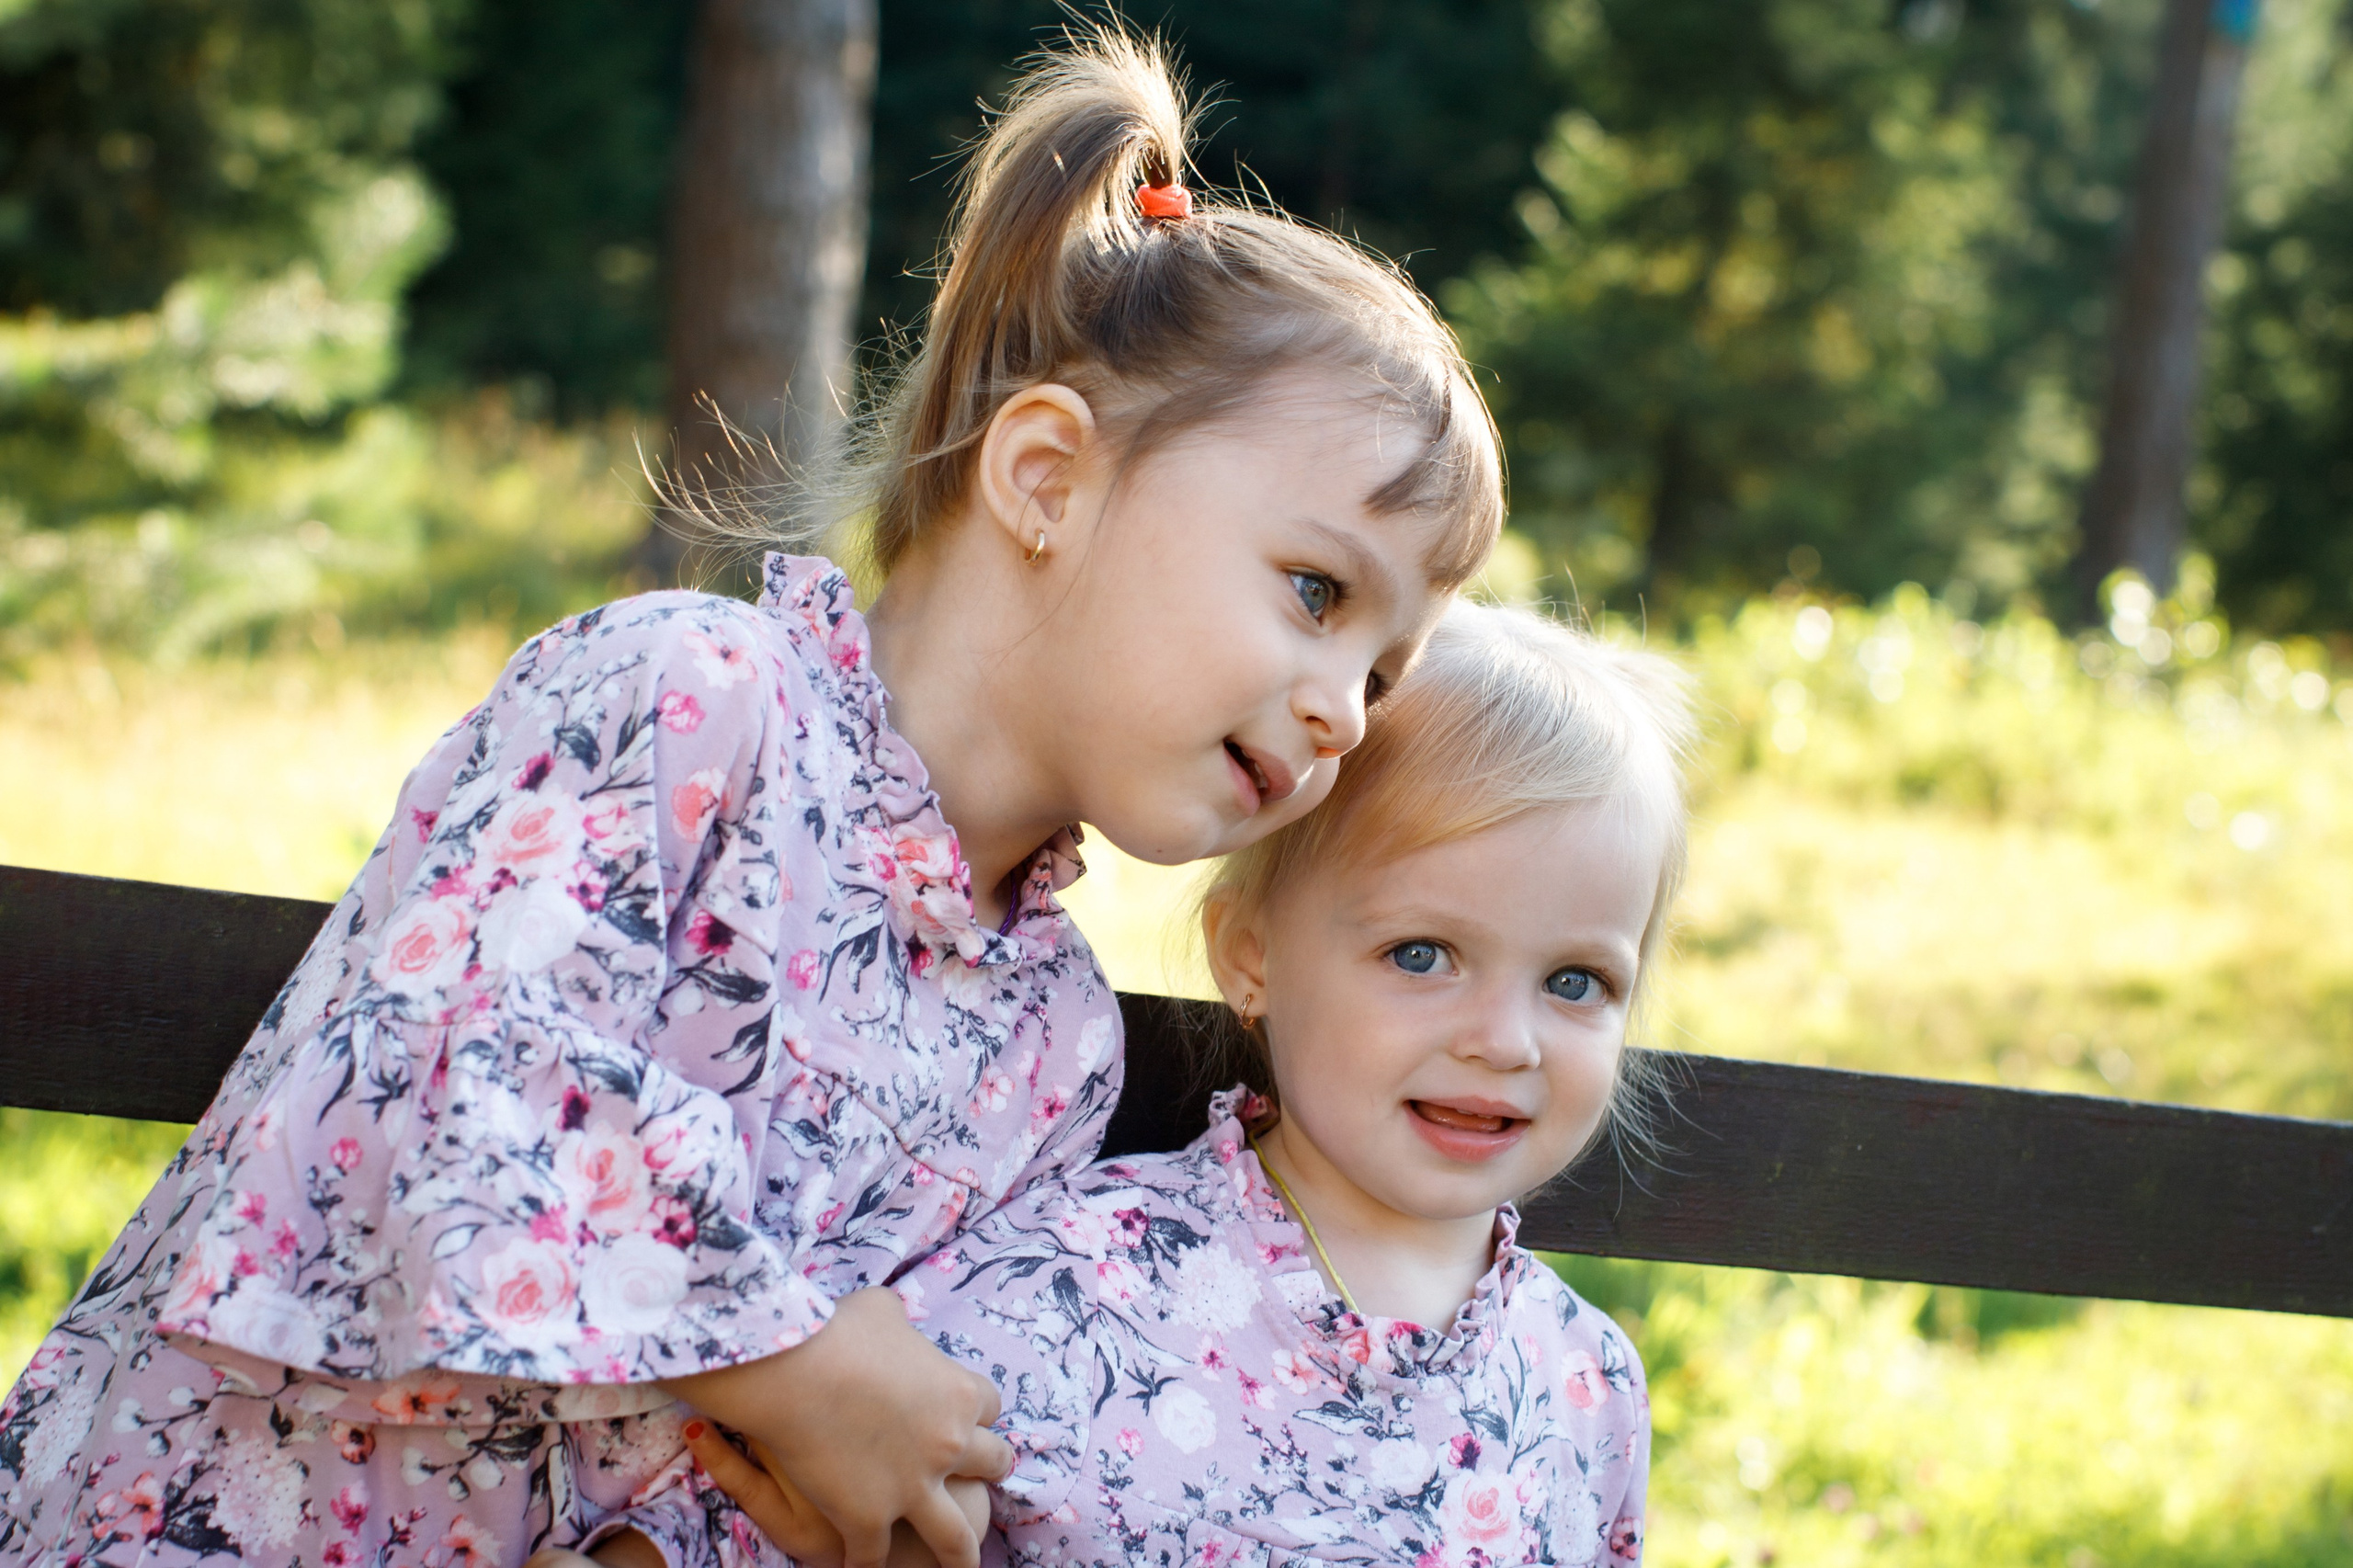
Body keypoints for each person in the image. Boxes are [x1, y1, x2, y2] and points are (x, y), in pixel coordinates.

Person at [0, 28, 1504, 1568]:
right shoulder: (693, 705)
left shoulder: (1050, 1045)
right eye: (1319, 591)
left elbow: (861, 1459)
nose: (1344, 709)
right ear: (1047, 476)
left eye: (1387, 670)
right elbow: (433, 1081)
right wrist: (786, 1356)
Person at [601, 599, 1694, 1566]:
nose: (1506, 1040)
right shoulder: (1059, 1286)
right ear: (1251, 956)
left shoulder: (1587, 1387)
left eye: (1575, 979)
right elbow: (729, 1521)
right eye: (1420, 954)